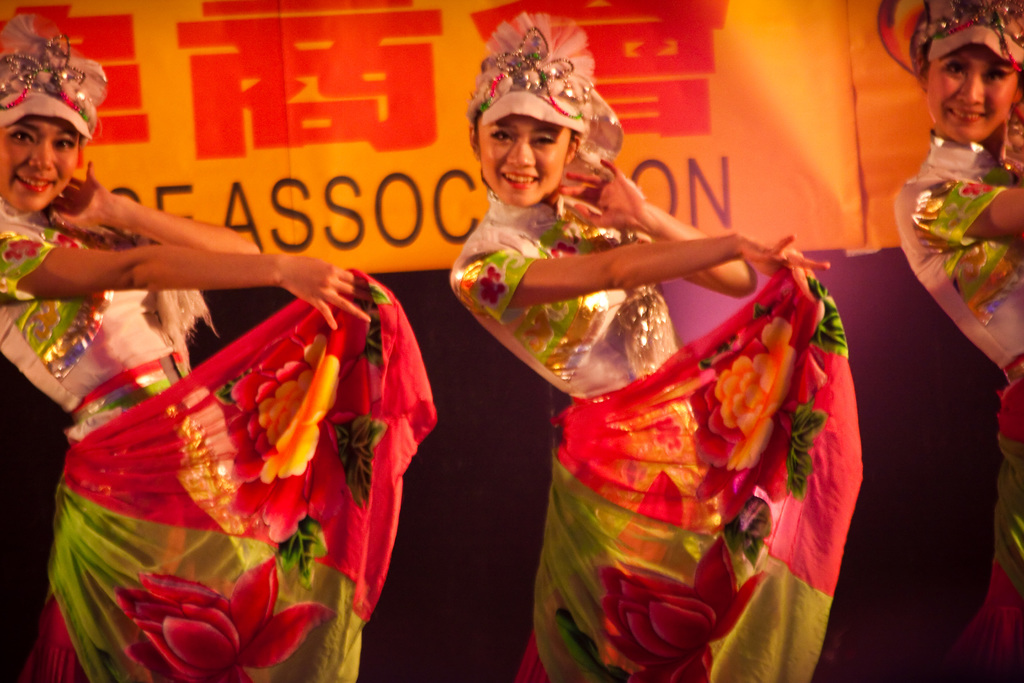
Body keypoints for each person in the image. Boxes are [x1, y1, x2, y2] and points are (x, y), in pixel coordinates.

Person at [0, 14, 436, 683]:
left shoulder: (80, 231)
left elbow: (235, 251)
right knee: (111, 649)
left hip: (201, 460)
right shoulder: (6, 249)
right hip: (128, 473)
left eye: (63, 140)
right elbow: (136, 274)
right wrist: (279, 271)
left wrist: (118, 210)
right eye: (22, 135)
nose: (43, 159)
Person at [450, 13, 863, 683]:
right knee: (624, 654)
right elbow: (618, 275)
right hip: (609, 470)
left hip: (692, 453)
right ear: (474, 139)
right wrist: (731, 238)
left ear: (573, 143)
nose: (520, 158)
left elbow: (733, 283)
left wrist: (642, 215)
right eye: (503, 134)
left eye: (543, 137)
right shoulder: (481, 264)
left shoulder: (595, 222)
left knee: (704, 644)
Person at [897, 0, 1024, 677]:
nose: (973, 93)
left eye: (994, 72)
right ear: (922, 73)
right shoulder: (925, 198)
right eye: (955, 68)